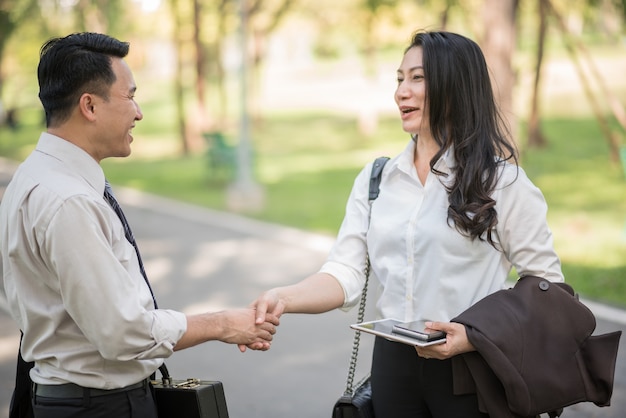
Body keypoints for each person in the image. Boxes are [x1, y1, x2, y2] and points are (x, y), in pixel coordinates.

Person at [247, 30, 564, 417]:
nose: (401, 92)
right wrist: (285, 297)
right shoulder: (377, 178)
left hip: (471, 368)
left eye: (417, 78)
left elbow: (547, 287)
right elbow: (346, 270)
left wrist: (475, 335)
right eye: (400, 78)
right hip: (392, 366)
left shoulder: (503, 183)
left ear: (455, 86)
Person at [0, 32, 278, 418]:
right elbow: (123, 333)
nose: (139, 111)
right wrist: (223, 324)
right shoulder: (70, 201)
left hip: (66, 398)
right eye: (130, 96)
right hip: (100, 406)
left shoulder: (32, 178)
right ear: (90, 106)